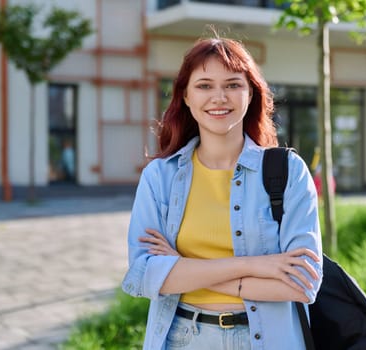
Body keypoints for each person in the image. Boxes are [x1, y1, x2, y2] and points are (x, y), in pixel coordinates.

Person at [121, 34, 323, 350]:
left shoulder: (288, 171)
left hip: (270, 341)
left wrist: (182, 267)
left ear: (250, 94)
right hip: (183, 339)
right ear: (185, 96)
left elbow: (303, 284)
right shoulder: (160, 177)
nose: (219, 97)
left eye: (232, 85)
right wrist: (255, 265)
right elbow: (145, 276)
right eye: (204, 85)